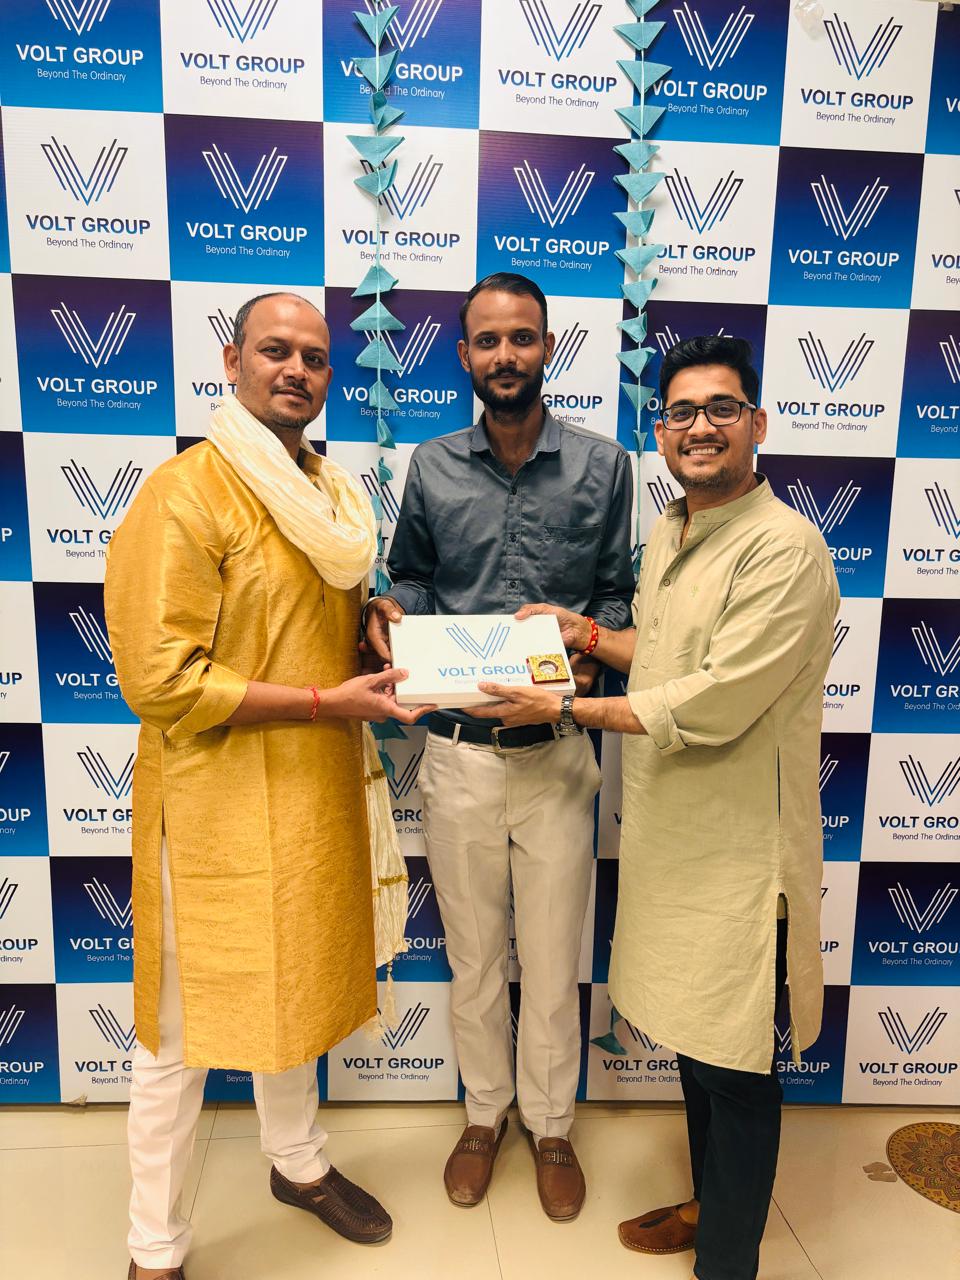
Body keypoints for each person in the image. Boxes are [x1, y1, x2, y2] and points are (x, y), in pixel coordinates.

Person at [472, 335, 839, 1280]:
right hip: (675, 841)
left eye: (721, 409)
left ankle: (728, 1260)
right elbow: (668, 655)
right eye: (680, 413)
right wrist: (588, 634)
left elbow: (712, 699)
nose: (699, 428)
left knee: (739, 1067)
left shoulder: (785, 549)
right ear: (662, 433)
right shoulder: (675, 529)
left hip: (745, 857)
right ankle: (709, 1204)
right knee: (696, 1046)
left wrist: (564, 708)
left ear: (757, 424)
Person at [105, 292, 430, 1280]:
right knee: (177, 1036)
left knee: (295, 988)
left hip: (315, 792)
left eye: (315, 357)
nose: (296, 369)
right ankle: (154, 1246)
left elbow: (301, 624)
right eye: (275, 350)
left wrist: (370, 621)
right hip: (212, 806)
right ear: (232, 359)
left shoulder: (331, 496)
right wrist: (328, 700)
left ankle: (297, 1161)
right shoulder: (187, 492)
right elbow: (159, 678)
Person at [363, 273, 635, 1220]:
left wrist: (591, 657)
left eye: (522, 338)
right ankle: (484, 1114)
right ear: (465, 356)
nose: (506, 355)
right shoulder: (433, 464)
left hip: (557, 752)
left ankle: (551, 1123)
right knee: (475, 959)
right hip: (459, 754)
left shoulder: (604, 464)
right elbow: (412, 575)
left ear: (548, 347)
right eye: (488, 341)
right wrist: (390, 607)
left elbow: (615, 594)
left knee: (553, 958)